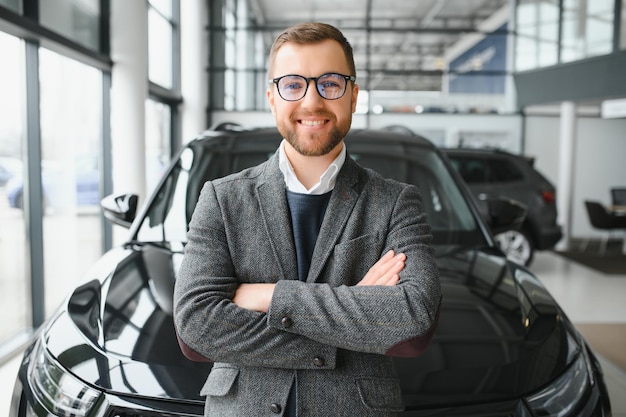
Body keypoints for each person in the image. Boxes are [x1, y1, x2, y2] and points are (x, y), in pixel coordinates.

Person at [173, 22, 441, 417]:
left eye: (330, 83)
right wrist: (357, 315)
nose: (312, 101)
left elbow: (414, 319)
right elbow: (196, 326)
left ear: (353, 96)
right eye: (293, 84)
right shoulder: (222, 198)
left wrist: (267, 296)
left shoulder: (396, 202)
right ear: (272, 98)